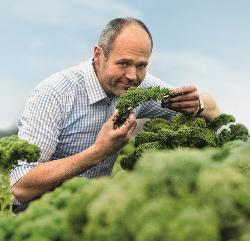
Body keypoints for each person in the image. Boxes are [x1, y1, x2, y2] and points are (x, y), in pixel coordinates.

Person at [10, 17, 220, 210]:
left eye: (141, 65)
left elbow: (210, 107)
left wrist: (197, 104)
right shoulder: (54, 94)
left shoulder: (139, 87)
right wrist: (98, 152)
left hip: (94, 215)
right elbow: (20, 187)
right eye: (123, 63)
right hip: (38, 218)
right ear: (99, 55)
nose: (132, 76)